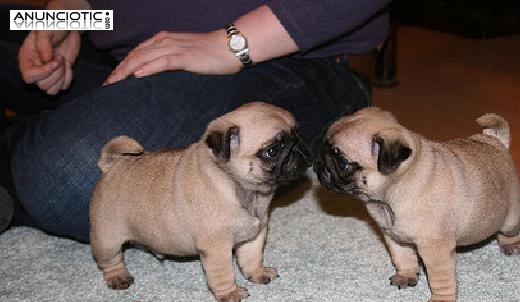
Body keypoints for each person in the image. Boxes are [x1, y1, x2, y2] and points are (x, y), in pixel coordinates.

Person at [0, 0, 391, 241]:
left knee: (70, 178)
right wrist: (66, 14)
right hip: (108, 35)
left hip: (284, 55)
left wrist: (232, 43)